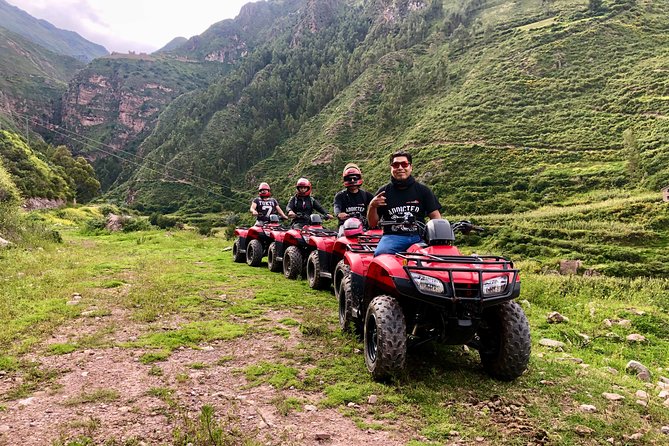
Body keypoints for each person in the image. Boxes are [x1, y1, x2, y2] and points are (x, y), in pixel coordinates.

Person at [367, 150, 442, 256]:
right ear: (391, 168)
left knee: (434, 261)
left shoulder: (423, 190)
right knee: (381, 255)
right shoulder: (383, 192)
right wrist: (372, 206)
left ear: (410, 167)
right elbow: (372, 224)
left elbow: (436, 218)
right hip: (392, 237)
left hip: (419, 237)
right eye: (396, 165)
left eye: (404, 164)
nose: (400, 168)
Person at [333, 163, 374, 227]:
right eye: (349, 178)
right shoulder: (340, 196)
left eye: (355, 178)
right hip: (345, 227)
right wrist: (339, 214)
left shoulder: (366, 195)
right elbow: (337, 206)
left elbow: (376, 205)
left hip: (363, 227)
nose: (352, 180)